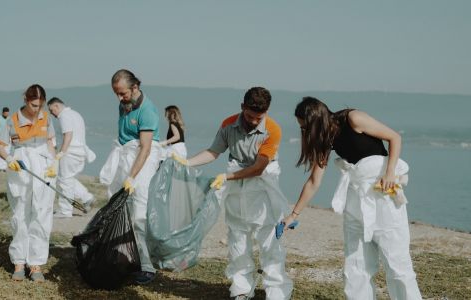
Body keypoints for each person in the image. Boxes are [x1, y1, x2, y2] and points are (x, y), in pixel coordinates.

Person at [282, 97, 422, 300]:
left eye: (305, 128)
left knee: (397, 263)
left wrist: (390, 172)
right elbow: (314, 182)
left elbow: (394, 138)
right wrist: (293, 215)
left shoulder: (353, 118)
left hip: (383, 193)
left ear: (317, 121)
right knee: (356, 265)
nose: (304, 133)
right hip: (356, 196)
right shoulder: (326, 141)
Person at [184, 87, 293, 300]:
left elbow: (259, 168)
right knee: (238, 236)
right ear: (242, 107)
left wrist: (226, 178)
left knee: (269, 239)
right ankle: (241, 289)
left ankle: (277, 293)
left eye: (258, 117)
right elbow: (213, 152)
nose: (253, 121)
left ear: (267, 111)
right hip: (236, 183)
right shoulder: (228, 124)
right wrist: (186, 162)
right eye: (250, 116)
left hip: (263, 186)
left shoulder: (272, 129)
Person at [0, 84, 57, 282]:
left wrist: (54, 163)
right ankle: (19, 261)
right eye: (33, 104)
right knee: (20, 214)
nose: (36, 109)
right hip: (20, 167)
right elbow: (1, 146)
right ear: (25, 99)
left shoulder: (46, 118)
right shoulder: (12, 120)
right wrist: (8, 159)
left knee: (42, 213)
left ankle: (36, 263)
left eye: (40, 105)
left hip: (43, 166)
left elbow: (50, 143)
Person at [109, 69, 163, 284]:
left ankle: (148, 266)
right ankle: (127, 257)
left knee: (140, 213)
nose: (119, 98)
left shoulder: (147, 110)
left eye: (122, 93)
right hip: (126, 158)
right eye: (116, 93)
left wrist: (132, 176)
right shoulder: (124, 105)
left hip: (142, 162)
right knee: (121, 210)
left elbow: (146, 148)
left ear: (135, 87)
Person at [47, 97, 96, 218]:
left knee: (65, 181)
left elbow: (68, 135)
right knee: (67, 178)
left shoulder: (64, 116)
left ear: (57, 106)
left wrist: (61, 153)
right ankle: (87, 197)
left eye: (52, 110)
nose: (52, 114)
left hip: (70, 152)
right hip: (80, 152)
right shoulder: (76, 114)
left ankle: (65, 210)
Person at [0, 107, 11, 171]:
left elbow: (11, 128)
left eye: (7, 113)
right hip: (0, 138)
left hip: (8, 138)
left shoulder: (9, 119)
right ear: (3, 113)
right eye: (5, 113)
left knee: (6, 152)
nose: (6, 114)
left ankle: (4, 167)